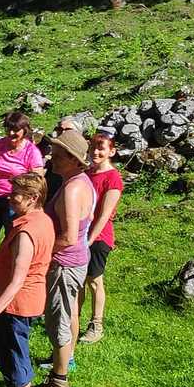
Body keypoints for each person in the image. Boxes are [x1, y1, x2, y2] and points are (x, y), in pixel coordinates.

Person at [0, 172, 54, 387]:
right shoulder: (43, 220)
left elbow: (17, 281)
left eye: (16, 194)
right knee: (14, 352)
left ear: (33, 197)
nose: (10, 198)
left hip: (18, 304)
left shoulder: (26, 232)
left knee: (14, 356)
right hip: (30, 299)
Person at [31, 130, 95, 387]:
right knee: (65, 316)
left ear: (73, 159)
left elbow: (68, 237)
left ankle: (58, 384)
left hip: (64, 265)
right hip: (74, 261)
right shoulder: (79, 182)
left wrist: (40, 251)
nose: (51, 159)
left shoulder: (72, 189)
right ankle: (60, 372)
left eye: (58, 155)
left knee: (59, 321)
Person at [0, 111, 45, 243]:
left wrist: (34, 208)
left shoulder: (32, 152)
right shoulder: (0, 145)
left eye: (15, 130)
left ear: (24, 131)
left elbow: (37, 183)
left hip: (16, 203)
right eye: (8, 129)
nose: (11, 133)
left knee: (12, 239)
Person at [79, 128, 123, 344]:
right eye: (93, 148)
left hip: (98, 237)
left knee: (94, 280)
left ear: (111, 151)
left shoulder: (113, 178)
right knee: (78, 280)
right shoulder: (86, 174)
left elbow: (105, 215)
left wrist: (89, 240)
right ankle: (72, 319)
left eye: (101, 148)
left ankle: (96, 324)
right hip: (80, 234)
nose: (95, 152)